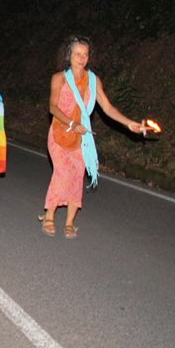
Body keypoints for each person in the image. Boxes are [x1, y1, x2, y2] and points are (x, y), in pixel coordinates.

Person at [41, 36, 146, 238]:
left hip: (83, 137)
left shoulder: (93, 80)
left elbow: (107, 108)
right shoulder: (59, 78)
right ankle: (49, 216)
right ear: (69, 55)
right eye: (77, 54)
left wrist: (129, 123)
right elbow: (52, 107)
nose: (82, 58)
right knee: (62, 173)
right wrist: (72, 124)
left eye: (85, 54)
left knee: (77, 175)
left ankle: (70, 222)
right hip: (59, 133)